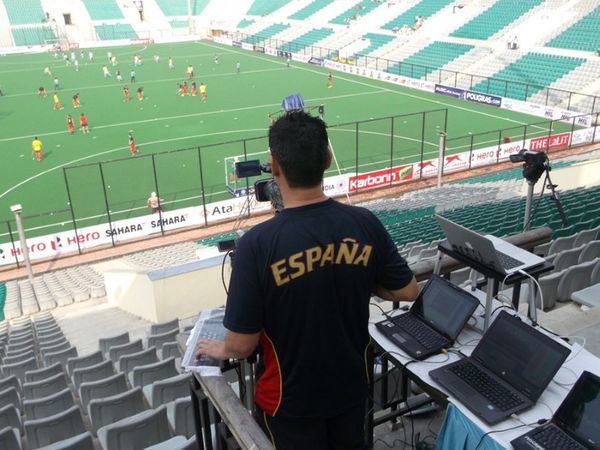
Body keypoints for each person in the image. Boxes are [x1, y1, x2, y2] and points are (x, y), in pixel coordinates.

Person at [195, 111, 418, 449]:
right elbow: (407, 289)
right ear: (327, 159)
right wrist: (355, 273)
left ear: (275, 166)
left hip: (289, 403)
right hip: (351, 391)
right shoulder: (364, 223)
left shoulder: (257, 244)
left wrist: (221, 347)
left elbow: (242, 345)